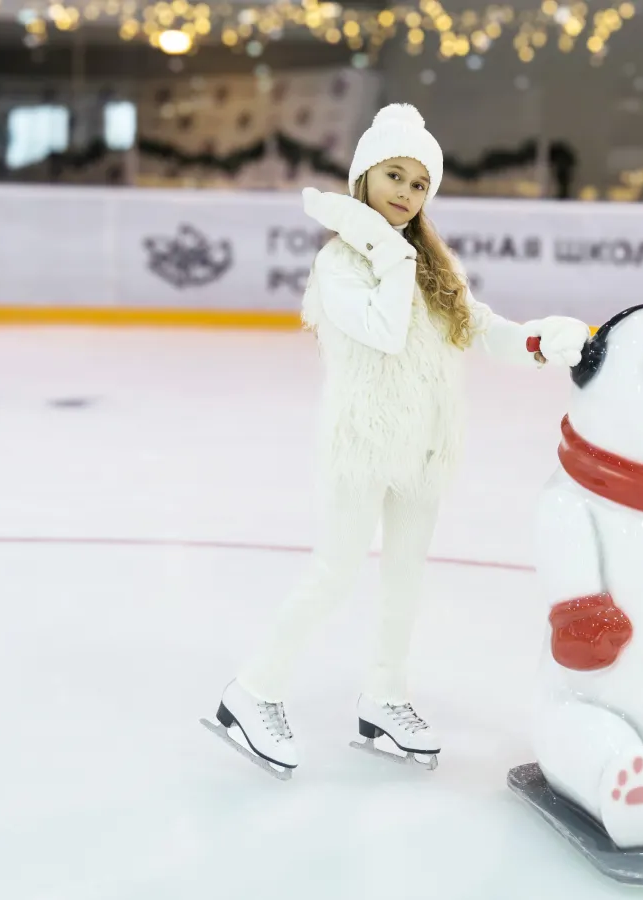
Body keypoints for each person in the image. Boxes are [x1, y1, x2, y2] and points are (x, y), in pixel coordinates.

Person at [207, 103, 591, 778]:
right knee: (336, 570)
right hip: (362, 439)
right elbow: (384, 330)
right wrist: (387, 250)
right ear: (363, 176)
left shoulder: (432, 263)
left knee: (406, 575)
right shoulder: (340, 262)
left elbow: (481, 328)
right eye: (394, 175)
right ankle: (253, 691)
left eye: (419, 184)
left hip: (424, 444)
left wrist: (540, 342)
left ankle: (385, 696)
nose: (406, 193)